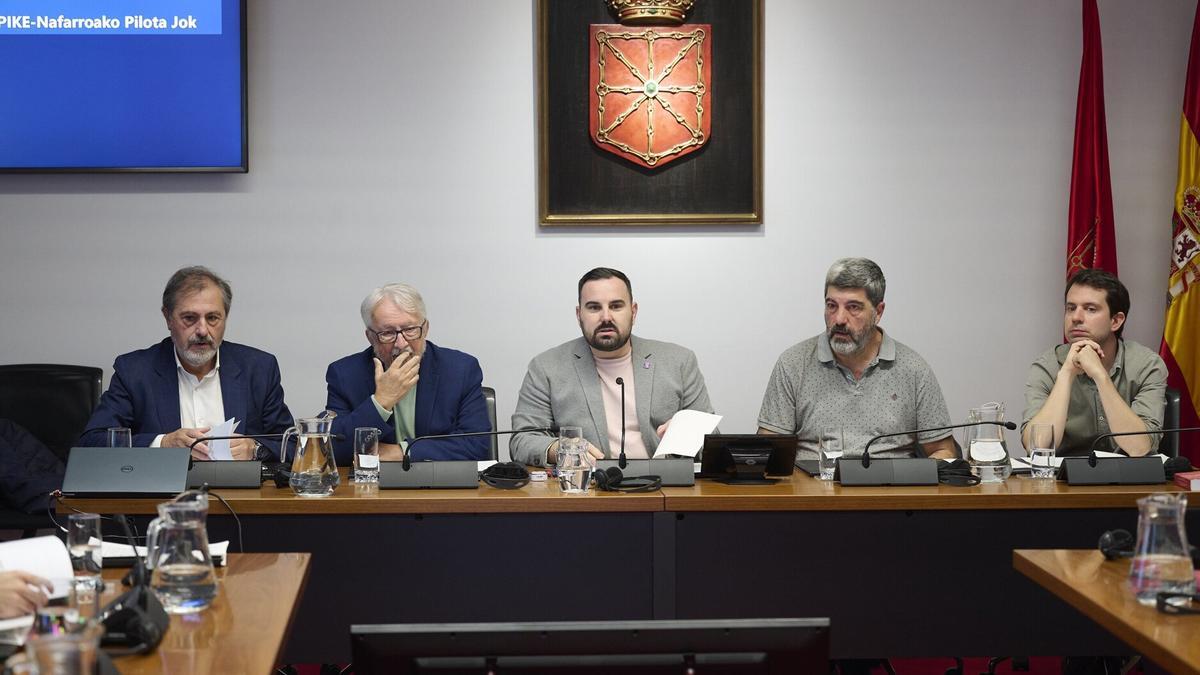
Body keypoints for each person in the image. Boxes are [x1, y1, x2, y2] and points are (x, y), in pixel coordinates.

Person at [79, 266, 293, 460]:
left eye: (212, 318)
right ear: (168, 318)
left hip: (241, 498)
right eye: (189, 318)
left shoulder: (258, 369)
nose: (202, 330)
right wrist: (163, 443)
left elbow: (291, 444)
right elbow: (92, 443)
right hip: (163, 497)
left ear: (225, 318)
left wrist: (255, 449)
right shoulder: (135, 371)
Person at [510, 267, 716, 467]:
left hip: (665, 486)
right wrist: (560, 448)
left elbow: (713, 442)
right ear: (578, 314)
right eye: (594, 307)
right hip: (588, 488)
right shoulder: (546, 367)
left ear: (633, 312)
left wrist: (690, 433)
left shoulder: (679, 361)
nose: (606, 317)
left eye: (616, 306)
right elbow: (522, 440)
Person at [757, 257, 957, 460]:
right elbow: (769, 452)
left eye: (853, 307)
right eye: (831, 305)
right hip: (814, 485)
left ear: (878, 312)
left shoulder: (913, 369)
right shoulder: (793, 364)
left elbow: (943, 451)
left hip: (889, 487)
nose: (840, 319)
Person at [325, 283, 490, 464]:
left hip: (442, 486)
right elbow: (333, 449)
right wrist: (381, 401)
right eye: (388, 333)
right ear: (370, 337)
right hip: (372, 488)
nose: (401, 344)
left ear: (425, 328)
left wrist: (402, 452)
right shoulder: (344, 375)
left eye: (410, 330)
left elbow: (477, 445)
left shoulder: (461, 369)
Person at [1022, 268, 1166, 456]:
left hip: (1128, 480)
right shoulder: (1047, 366)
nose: (1076, 318)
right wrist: (1066, 373)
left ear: (1116, 321)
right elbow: (1038, 448)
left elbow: (1139, 447)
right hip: (1063, 481)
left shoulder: (1147, 366)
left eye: (1090, 309)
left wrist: (1100, 375)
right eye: (1071, 308)